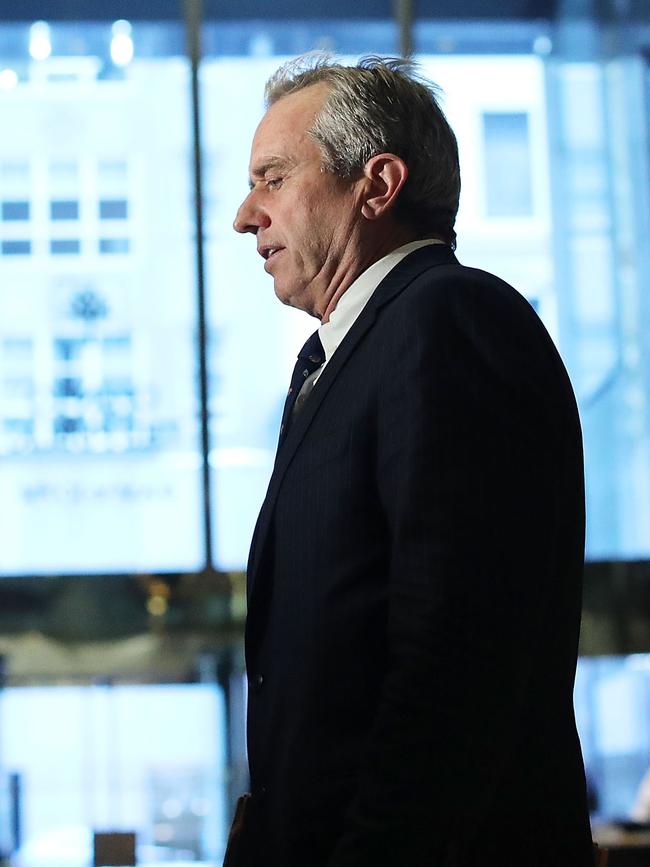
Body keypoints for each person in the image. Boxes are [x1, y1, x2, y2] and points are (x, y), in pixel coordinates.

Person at [226, 54, 595, 867]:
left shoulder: (449, 321)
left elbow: (454, 661)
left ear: (377, 183)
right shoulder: (350, 351)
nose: (245, 214)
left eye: (273, 178)